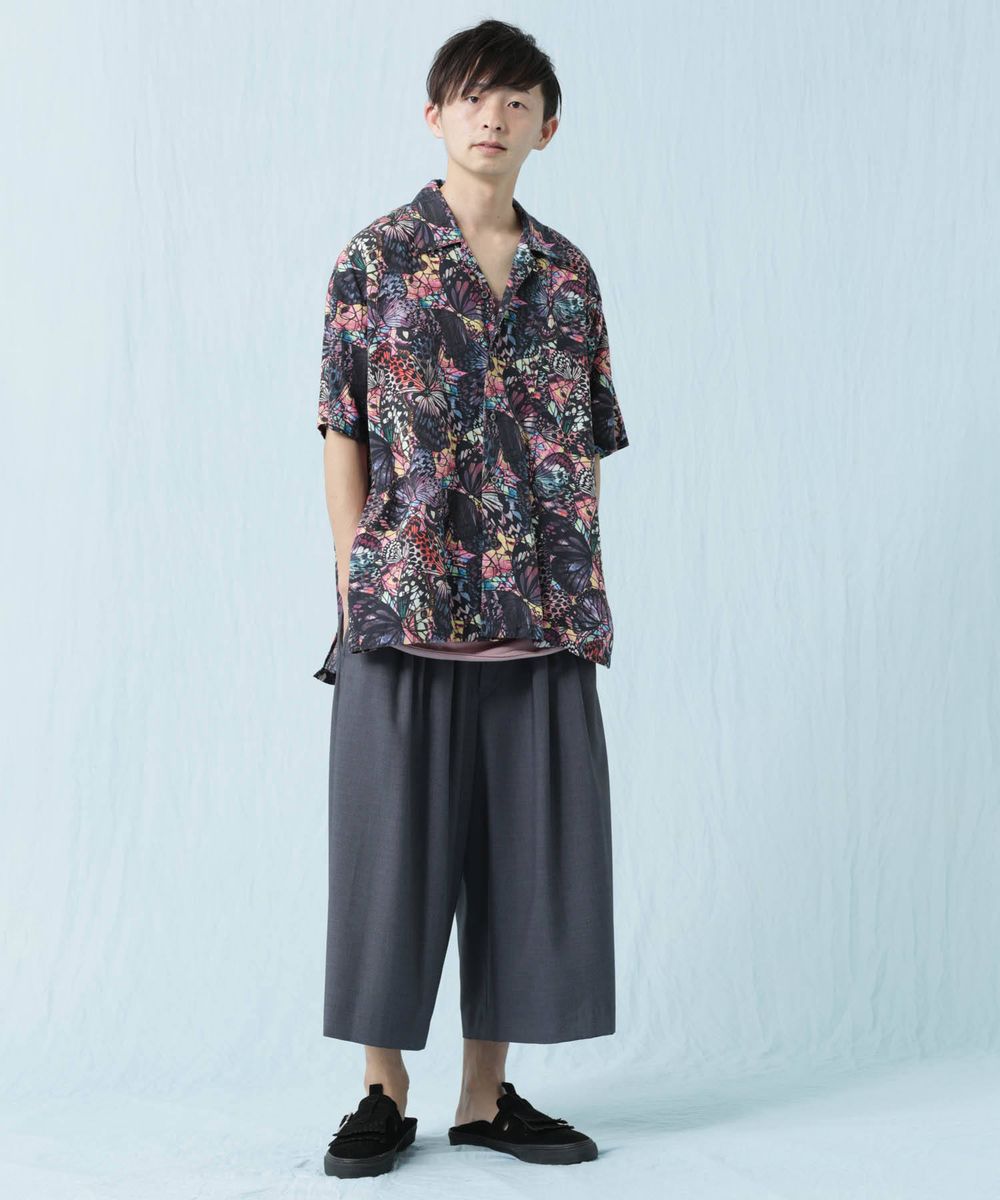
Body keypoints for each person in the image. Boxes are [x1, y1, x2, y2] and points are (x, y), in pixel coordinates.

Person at [313, 19, 631, 1178]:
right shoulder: (375, 260)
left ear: (549, 126)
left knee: (524, 862)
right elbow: (341, 430)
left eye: (516, 100)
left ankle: (485, 1099)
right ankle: (381, 1092)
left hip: (537, 617)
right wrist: (353, 581)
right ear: (434, 115)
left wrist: (578, 572)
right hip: (402, 609)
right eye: (471, 97)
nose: (492, 116)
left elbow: (585, 443)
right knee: (388, 863)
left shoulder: (568, 276)